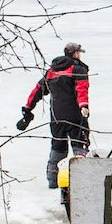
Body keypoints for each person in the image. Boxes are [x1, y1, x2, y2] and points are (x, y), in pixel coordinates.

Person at [16, 41, 90, 192]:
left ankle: (53, 183)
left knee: (58, 147)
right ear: (75, 54)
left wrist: (28, 107)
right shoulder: (77, 68)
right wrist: (83, 106)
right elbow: (81, 88)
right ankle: (83, 179)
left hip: (56, 118)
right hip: (75, 116)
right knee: (79, 145)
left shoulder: (52, 71)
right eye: (79, 52)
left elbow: (38, 90)